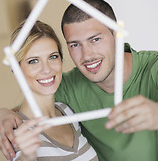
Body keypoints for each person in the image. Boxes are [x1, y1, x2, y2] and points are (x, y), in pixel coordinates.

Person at [0, 0, 158, 161]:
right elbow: (24, 114)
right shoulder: (67, 88)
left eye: (95, 39)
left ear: (117, 35)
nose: (87, 55)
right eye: (75, 44)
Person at [7, 19, 98, 160]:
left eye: (53, 57)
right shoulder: (19, 132)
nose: (47, 69)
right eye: (33, 61)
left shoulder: (67, 111)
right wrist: (27, 156)